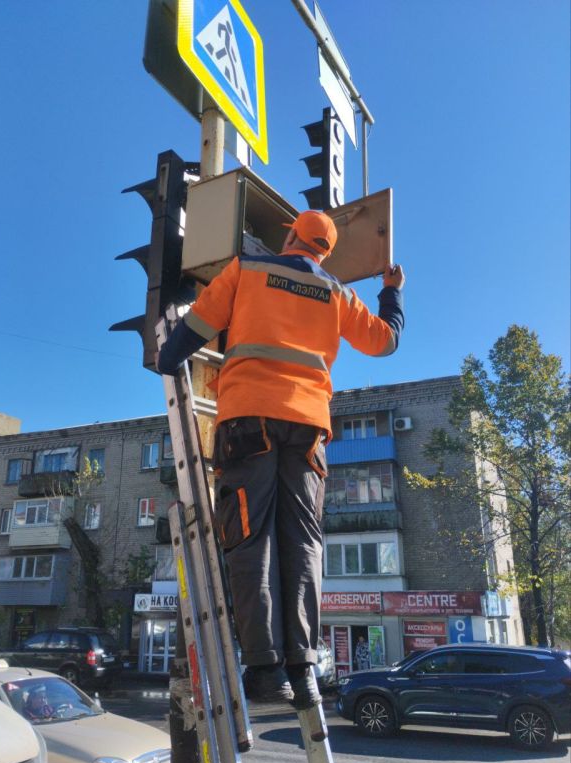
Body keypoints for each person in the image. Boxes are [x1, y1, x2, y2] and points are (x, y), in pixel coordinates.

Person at [157, 210, 405, 709]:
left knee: (252, 539)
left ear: (290, 237)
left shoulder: (246, 271)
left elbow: (184, 341)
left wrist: (169, 355)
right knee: (303, 542)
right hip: (309, 430)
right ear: (324, 251)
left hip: (250, 420)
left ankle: (266, 670)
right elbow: (387, 341)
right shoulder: (337, 293)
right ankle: (304, 668)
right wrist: (392, 290)